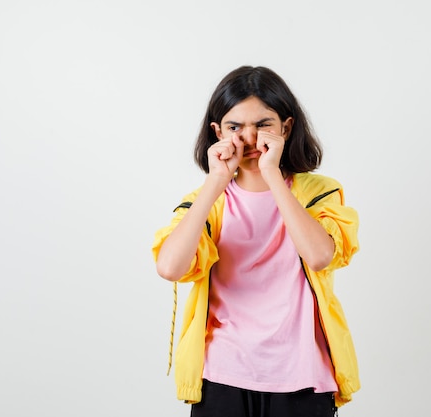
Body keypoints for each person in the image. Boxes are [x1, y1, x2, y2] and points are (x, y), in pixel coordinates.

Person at [152, 65, 360, 417]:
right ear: (218, 131)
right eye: (235, 127)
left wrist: (272, 175)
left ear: (286, 127)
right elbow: (171, 267)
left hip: (302, 374)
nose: (249, 138)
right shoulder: (207, 203)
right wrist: (216, 182)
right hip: (221, 373)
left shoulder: (320, 193)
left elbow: (321, 255)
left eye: (263, 124)